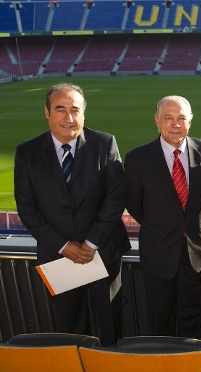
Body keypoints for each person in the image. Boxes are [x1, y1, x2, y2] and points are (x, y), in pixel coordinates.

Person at [14, 82, 130, 345]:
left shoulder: (105, 143)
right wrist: (64, 246)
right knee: (71, 327)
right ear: (47, 112)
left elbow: (116, 198)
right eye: (60, 109)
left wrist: (90, 243)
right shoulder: (27, 153)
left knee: (111, 323)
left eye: (75, 110)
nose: (69, 118)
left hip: (102, 252)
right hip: (58, 256)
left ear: (83, 114)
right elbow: (27, 208)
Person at [125, 96, 201, 339]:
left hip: (195, 251)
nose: (175, 124)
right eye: (168, 118)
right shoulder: (137, 158)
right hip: (157, 252)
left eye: (181, 118)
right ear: (157, 121)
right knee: (160, 321)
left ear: (191, 121)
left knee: (194, 322)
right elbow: (135, 204)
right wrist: (164, 224)